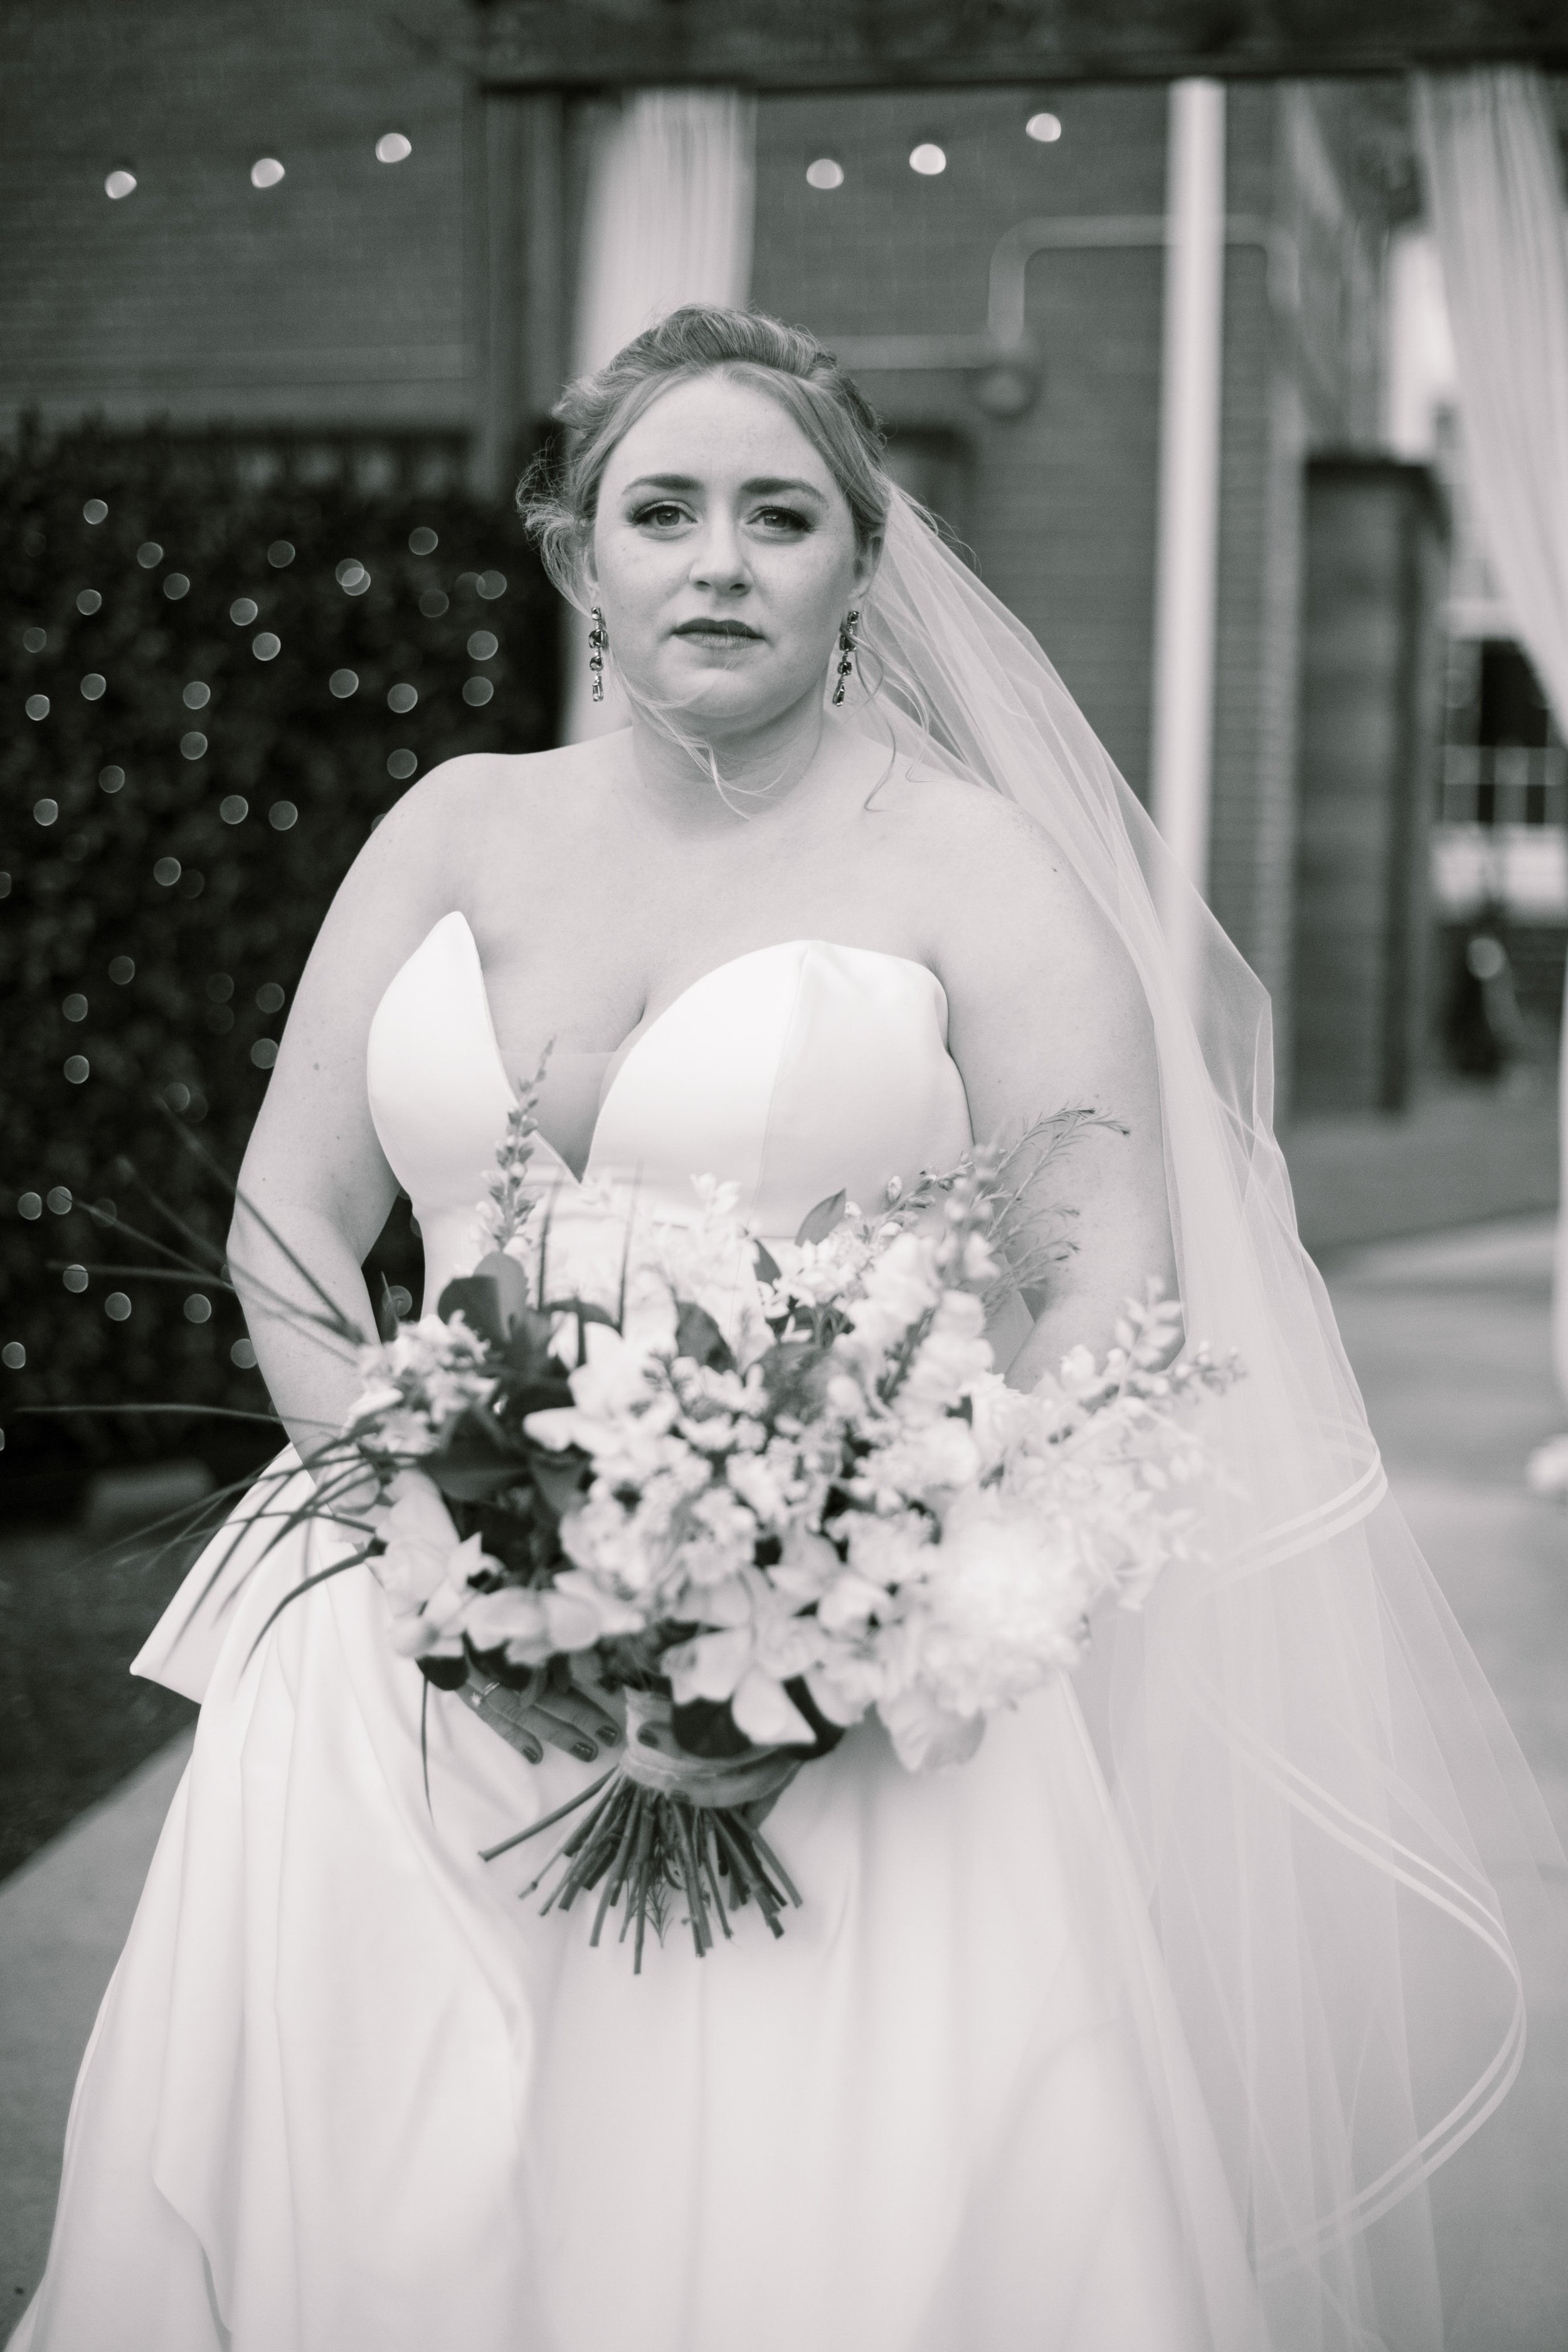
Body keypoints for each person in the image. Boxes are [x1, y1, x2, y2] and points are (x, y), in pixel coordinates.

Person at [12, 308, 1557, 2352]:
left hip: (834, 1692)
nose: (717, 560)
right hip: (394, 1670)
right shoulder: (452, 828)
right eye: (662, 511)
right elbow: (294, 1219)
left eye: (778, 514)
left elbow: (1104, 1287)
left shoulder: (973, 869)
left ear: (858, 563)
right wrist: (404, 1522)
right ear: (579, 557)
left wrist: (893, 1610)